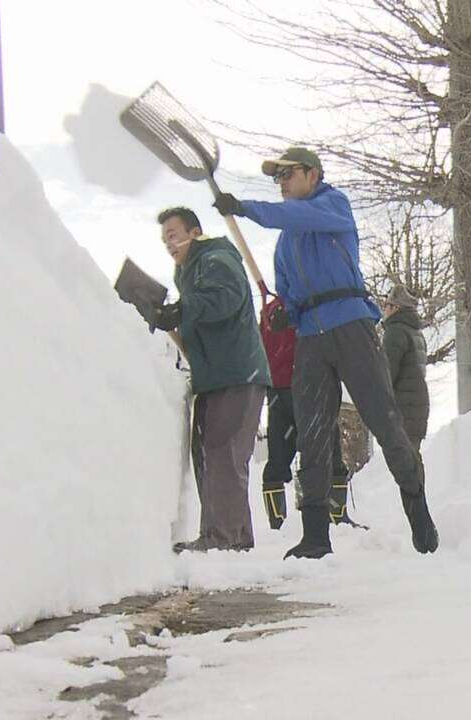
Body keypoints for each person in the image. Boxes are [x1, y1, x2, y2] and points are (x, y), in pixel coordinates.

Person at [213, 147, 438, 559]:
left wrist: (245, 208)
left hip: (351, 326)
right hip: (312, 339)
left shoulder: (333, 205)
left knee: (385, 422)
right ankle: (315, 535)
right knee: (312, 434)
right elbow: (289, 292)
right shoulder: (285, 246)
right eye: (276, 179)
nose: (281, 184)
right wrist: (288, 313)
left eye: (287, 175)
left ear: (312, 174)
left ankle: (418, 510)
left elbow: (296, 217)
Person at [151, 206, 270, 553]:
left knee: (223, 454)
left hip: (236, 372)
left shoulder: (215, 257)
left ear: (195, 231)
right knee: (212, 455)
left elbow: (225, 298)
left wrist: (183, 308)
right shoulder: (190, 273)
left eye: (173, 235)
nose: (169, 245)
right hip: (217, 377)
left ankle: (224, 539)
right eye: (164, 240)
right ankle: (233, 536)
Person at [259, 301, 357, 529]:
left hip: (277, 390)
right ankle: (337, 516)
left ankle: (277, 523)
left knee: (277, 458)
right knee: (328, 449)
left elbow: (261, 347)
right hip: (308, 386)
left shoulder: (269, 311)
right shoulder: (310, 305)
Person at [380, 285, 430, 454]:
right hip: (418, 407)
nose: (383, 310)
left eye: (386, 305)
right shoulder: (416, 332)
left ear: (395, 307)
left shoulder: (395, 331)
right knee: (413, 461)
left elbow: (386, 373)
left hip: (402, 408)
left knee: (405, 465)